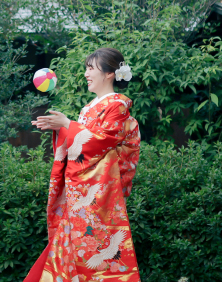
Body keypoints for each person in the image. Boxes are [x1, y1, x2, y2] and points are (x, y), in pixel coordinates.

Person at [24, 47, 141, 282]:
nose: (86, 73)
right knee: (68, 249)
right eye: (86, 68)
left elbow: (102, 142)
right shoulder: (89, 107)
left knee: (94, 252)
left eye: (90, 68)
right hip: (79, 192)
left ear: (109, 73)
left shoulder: (117, 104)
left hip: (98, 196)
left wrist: (67, 123)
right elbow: (83, 141)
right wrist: (61, 128)